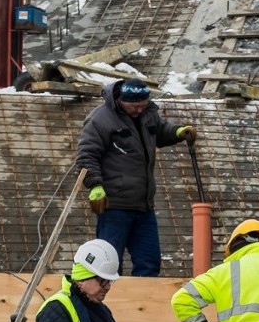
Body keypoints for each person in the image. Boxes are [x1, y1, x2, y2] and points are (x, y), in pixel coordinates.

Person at [75, 77, 196, 276]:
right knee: (110, 263)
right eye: (135, 106)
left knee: (150, 263)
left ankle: (143, 305)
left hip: (144, 206)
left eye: (143, 105)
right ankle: (109, 304)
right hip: (114, 206)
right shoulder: (101, 119)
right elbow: (87, 154)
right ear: (121, 100)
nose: (139, 110)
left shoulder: (148, 114)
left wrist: (177, 132)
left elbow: (159, 131)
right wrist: (95, 185)